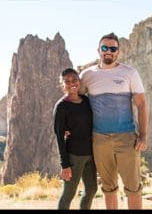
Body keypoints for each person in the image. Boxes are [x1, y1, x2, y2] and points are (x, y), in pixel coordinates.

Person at [80, 34, 148, 210]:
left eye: (112, 49)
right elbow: (75, 104)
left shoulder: (129, 73)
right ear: (98, 50)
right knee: (108, 188)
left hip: (126, 138)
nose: (108, 52)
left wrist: (144, 136)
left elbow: (141, 105)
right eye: (105, 48)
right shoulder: (87, 75)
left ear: (118, 52)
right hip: (99, 139)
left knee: (133, 188)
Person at [54, 67, 98, 209]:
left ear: (79, 81)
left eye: (74, 80)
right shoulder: (61, 106)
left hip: (91, 154)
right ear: (63, 85)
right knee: (68, 194)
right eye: (67, 81)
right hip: (74, 156)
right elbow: (59, 137)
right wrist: (64, 165)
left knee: (91, 189)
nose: (72, 83)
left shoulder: (85, 100)